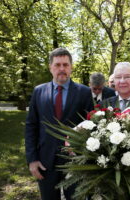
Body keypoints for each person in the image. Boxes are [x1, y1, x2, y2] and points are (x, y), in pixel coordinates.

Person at [25, 48, 93, 200]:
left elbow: (91, 125)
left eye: (65, 65)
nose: (61, 69)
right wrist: (32, 159)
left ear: (71, 67)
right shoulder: (38, 91)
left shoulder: (84, 92)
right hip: (45, 161)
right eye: (57, 65)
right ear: (50, 67)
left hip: (76, 161)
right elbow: (31, 126)